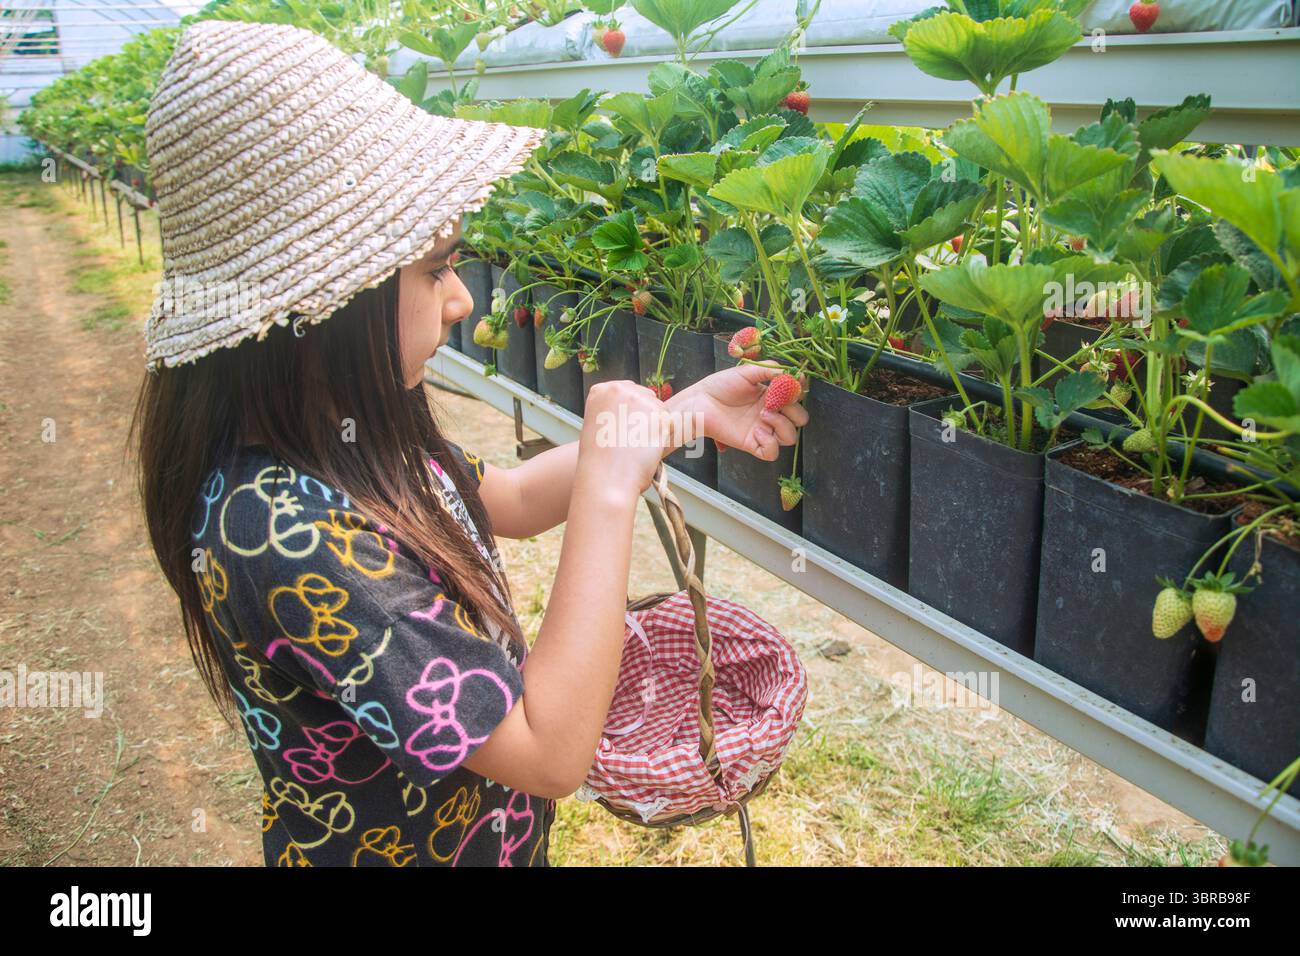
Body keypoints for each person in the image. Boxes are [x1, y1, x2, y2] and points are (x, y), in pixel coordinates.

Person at [133, 19, 806, 867]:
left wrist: (680, 418)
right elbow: (548, 752)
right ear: (327, 302)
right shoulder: (281, 532)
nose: (460, 300)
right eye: (434, 268)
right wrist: (606, 494)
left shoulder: (351, 440)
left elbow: (513, 501)